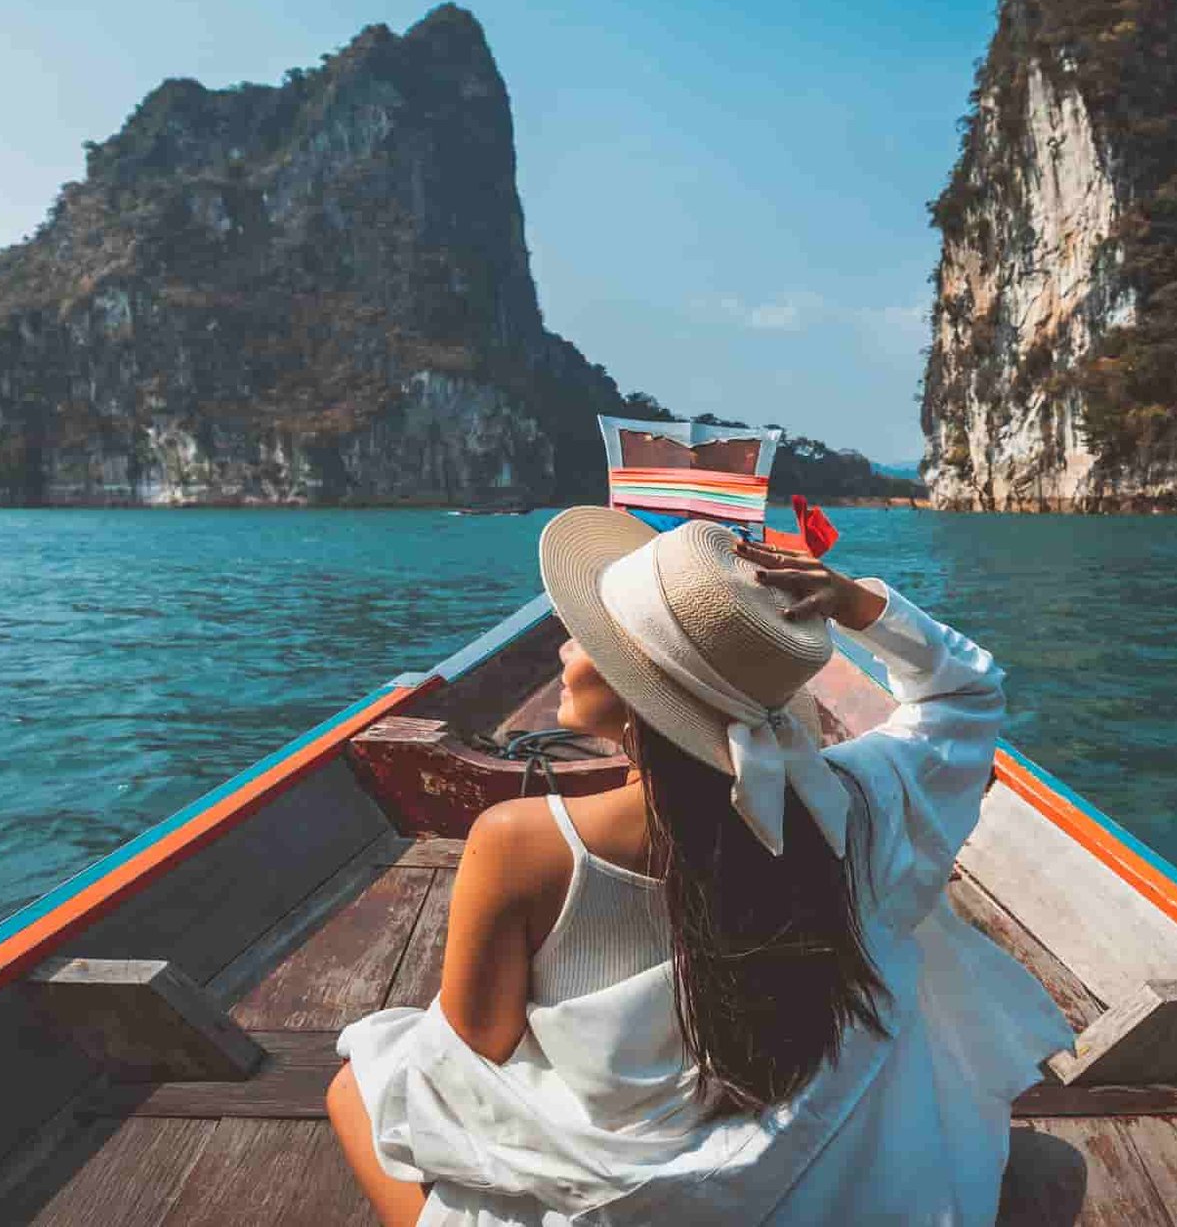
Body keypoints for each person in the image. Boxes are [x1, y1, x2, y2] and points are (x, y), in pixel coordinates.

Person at [327, 507, 1068, 1224]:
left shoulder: (523, 840)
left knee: (358, 1081)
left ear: (636, 685)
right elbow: (965, 693)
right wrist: (856, 603)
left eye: (585, 637)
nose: (561, 649)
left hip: (629, 1199)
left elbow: (475, 1047)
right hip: (787, 1163)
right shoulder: (857, 802)